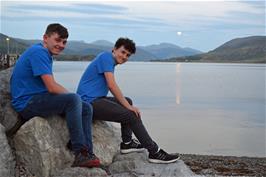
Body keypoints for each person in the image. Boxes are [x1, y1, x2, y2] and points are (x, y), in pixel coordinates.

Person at [76, 37, 180, 164]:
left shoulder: (109, 60)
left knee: (128, 101)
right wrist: (128, 108)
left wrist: (127, 104)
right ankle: (154, 152)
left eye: (128, 55)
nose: (125, 56)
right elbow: (111, 85)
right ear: (114, 49)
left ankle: (127, 143)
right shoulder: (106, 57)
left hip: (96, 99)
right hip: (88, 103)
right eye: (123, 52)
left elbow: (112, 87)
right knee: (131, 114)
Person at [10, 23, 100, 168]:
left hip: (38, 98)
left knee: (86, 108)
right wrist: (75, 98)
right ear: (45, 38)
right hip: (27, 103)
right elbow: (52, 87)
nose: (61, 45)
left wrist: (77, 100)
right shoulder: (38, 52)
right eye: (57, 40)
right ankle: (80, 152)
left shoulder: (44, 53)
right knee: (73, 99)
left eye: (64, 42)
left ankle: (87, 152)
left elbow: (50, 86)